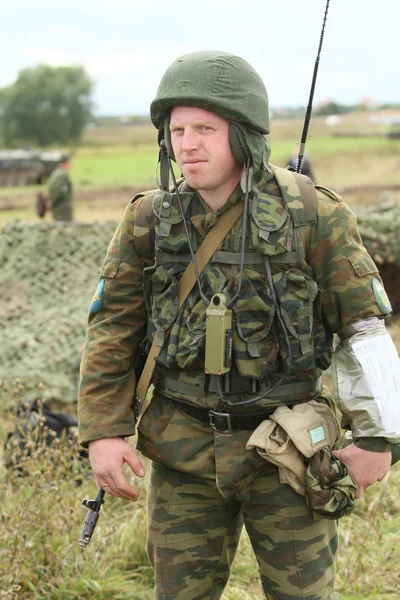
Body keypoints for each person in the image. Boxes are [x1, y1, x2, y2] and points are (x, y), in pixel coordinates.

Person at [78, 51, 400, 599]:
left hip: (287, 454)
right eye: (177, 129)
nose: (187, 143)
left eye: (206, 127)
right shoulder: (147, 220)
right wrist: (103, 432)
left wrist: (378, 439)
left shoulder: (313, 214)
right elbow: (112, 329)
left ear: (246, 134)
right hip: (183, 453)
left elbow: (362, 328)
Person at [47, 155, 73, 221]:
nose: (72, 164)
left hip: (60, 207)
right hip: (62, 208)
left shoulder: (57, 172)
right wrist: (51, 201)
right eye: (70, 162)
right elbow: (56, 190)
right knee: (64, 227)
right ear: (66, 163)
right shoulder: (61, 174)